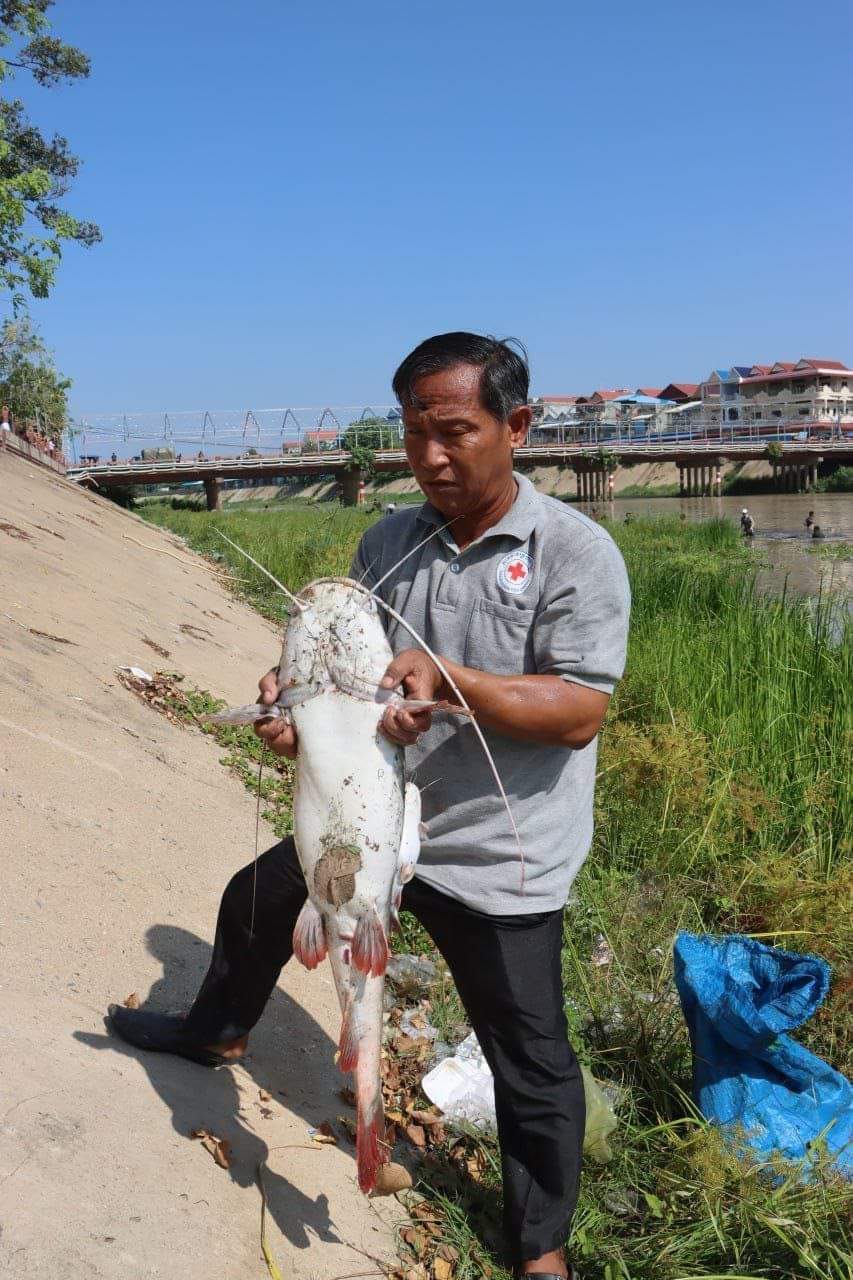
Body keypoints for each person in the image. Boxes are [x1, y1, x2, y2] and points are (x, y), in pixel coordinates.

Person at [109, 332, 631, 1280]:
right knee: (261, 898)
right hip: (373, 831)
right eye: (412, 434)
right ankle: (218, 1028)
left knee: (532, 1057)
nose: (430, 457)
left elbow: (579, 710)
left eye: (455, 433)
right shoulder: (388, 540)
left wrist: (450, 678)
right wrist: (294, 713)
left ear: (517, 426)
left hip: (495, 854)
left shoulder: (574, 553)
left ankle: (539, 1244)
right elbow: (350, 679)